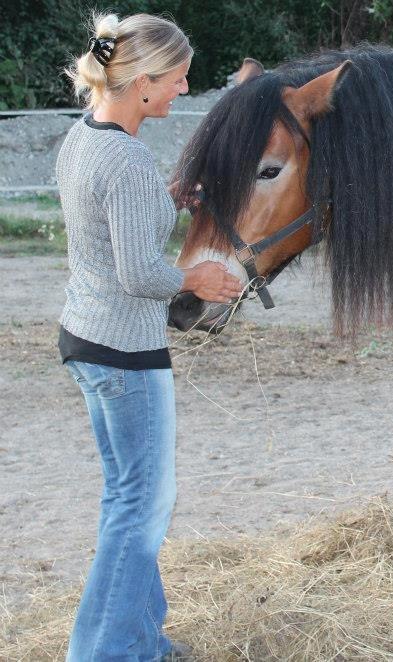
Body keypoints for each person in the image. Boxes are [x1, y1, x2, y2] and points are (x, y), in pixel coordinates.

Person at [57, 12, 244, 661]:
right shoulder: (127, 157)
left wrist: (167, 197)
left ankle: (138, 641)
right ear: (143, 81)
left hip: (86, 341)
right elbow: (139, 272)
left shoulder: (82, 138)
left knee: (126, 497)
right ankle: (103, 653)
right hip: (127, 354)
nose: (184, 90)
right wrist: (200, 280)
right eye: (179, 78)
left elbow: (110, 231)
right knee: (144, 503)